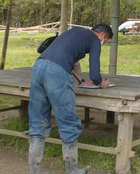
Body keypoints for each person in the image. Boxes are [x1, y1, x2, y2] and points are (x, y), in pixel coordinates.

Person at [28, 24, 113, 174]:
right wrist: (101, 83)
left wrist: (80, 82)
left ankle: (35, 171)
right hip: (56, 73)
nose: (103, 43)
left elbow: (62, 57)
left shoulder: (75, 32)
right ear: (102, 35)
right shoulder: (94, 40)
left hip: (38, 67)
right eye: (105, 41)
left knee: (38, 121)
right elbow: (94, 75)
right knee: (68, 122)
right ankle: (72, 171)